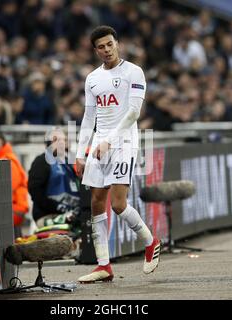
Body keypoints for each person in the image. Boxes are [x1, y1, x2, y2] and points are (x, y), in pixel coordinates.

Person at [75, 26, 161, 283]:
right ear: (96, 50)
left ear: (117, 44)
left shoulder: (134, 72)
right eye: (101, 47)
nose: (107, 50)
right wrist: (80, 154)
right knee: (96, 203)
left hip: (123, 142)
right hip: (100, 143)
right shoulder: (92, 78)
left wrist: (109, 142)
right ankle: (104, 266)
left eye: (110, 44)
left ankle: (150, 241)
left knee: (118, 204)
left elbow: (134, 113)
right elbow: (89, 117)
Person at [28, 127, 80, 228]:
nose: (64, 143)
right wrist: (56, 207)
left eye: (64, 140)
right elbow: (35, 190)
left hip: (71, 214)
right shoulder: (42, 161)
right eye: (61, 140)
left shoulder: (68, 163)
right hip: (48, 215)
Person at [0, 133, 29, 238]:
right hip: (6, 211)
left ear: (4, 146)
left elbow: (5, 189)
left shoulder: (8, 163)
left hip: (11, 212)